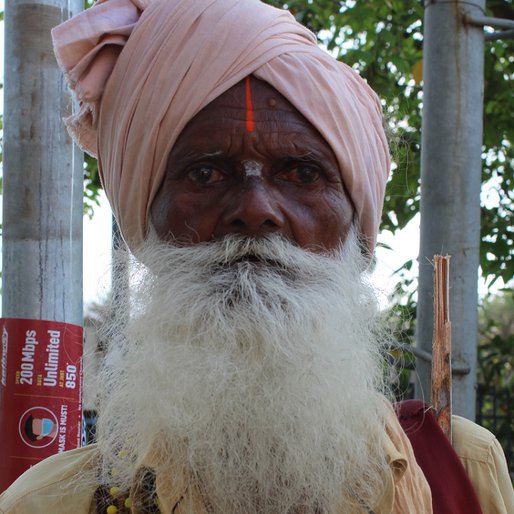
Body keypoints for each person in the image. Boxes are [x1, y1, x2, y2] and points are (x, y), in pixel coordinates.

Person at [1, 0, 512, 513]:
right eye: (205, 174)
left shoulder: (463, 468)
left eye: (301, 173)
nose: (255, 209)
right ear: (145, 222)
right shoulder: (49, 503)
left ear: (356, 233)